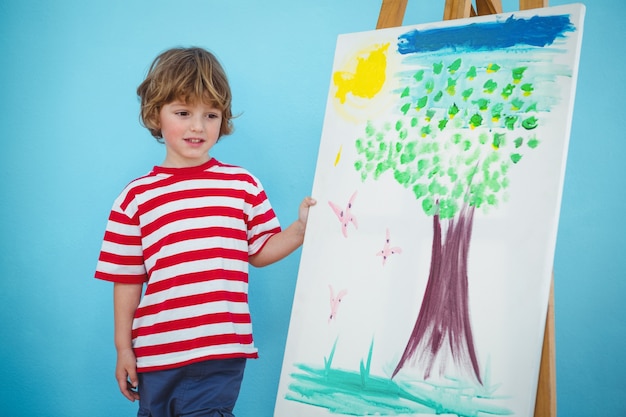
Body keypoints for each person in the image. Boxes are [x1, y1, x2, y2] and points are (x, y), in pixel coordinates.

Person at [95, 46, 316, 417]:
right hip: (157, 352)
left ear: (223, 120)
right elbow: (127, 279)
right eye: (183, 113)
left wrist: (300, 230)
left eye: (210, 115)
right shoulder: (135, 197)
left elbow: (260, 252)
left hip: (219, 351)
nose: (198, 126)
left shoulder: (242, 185)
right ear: (156, 115)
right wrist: (123, 348)